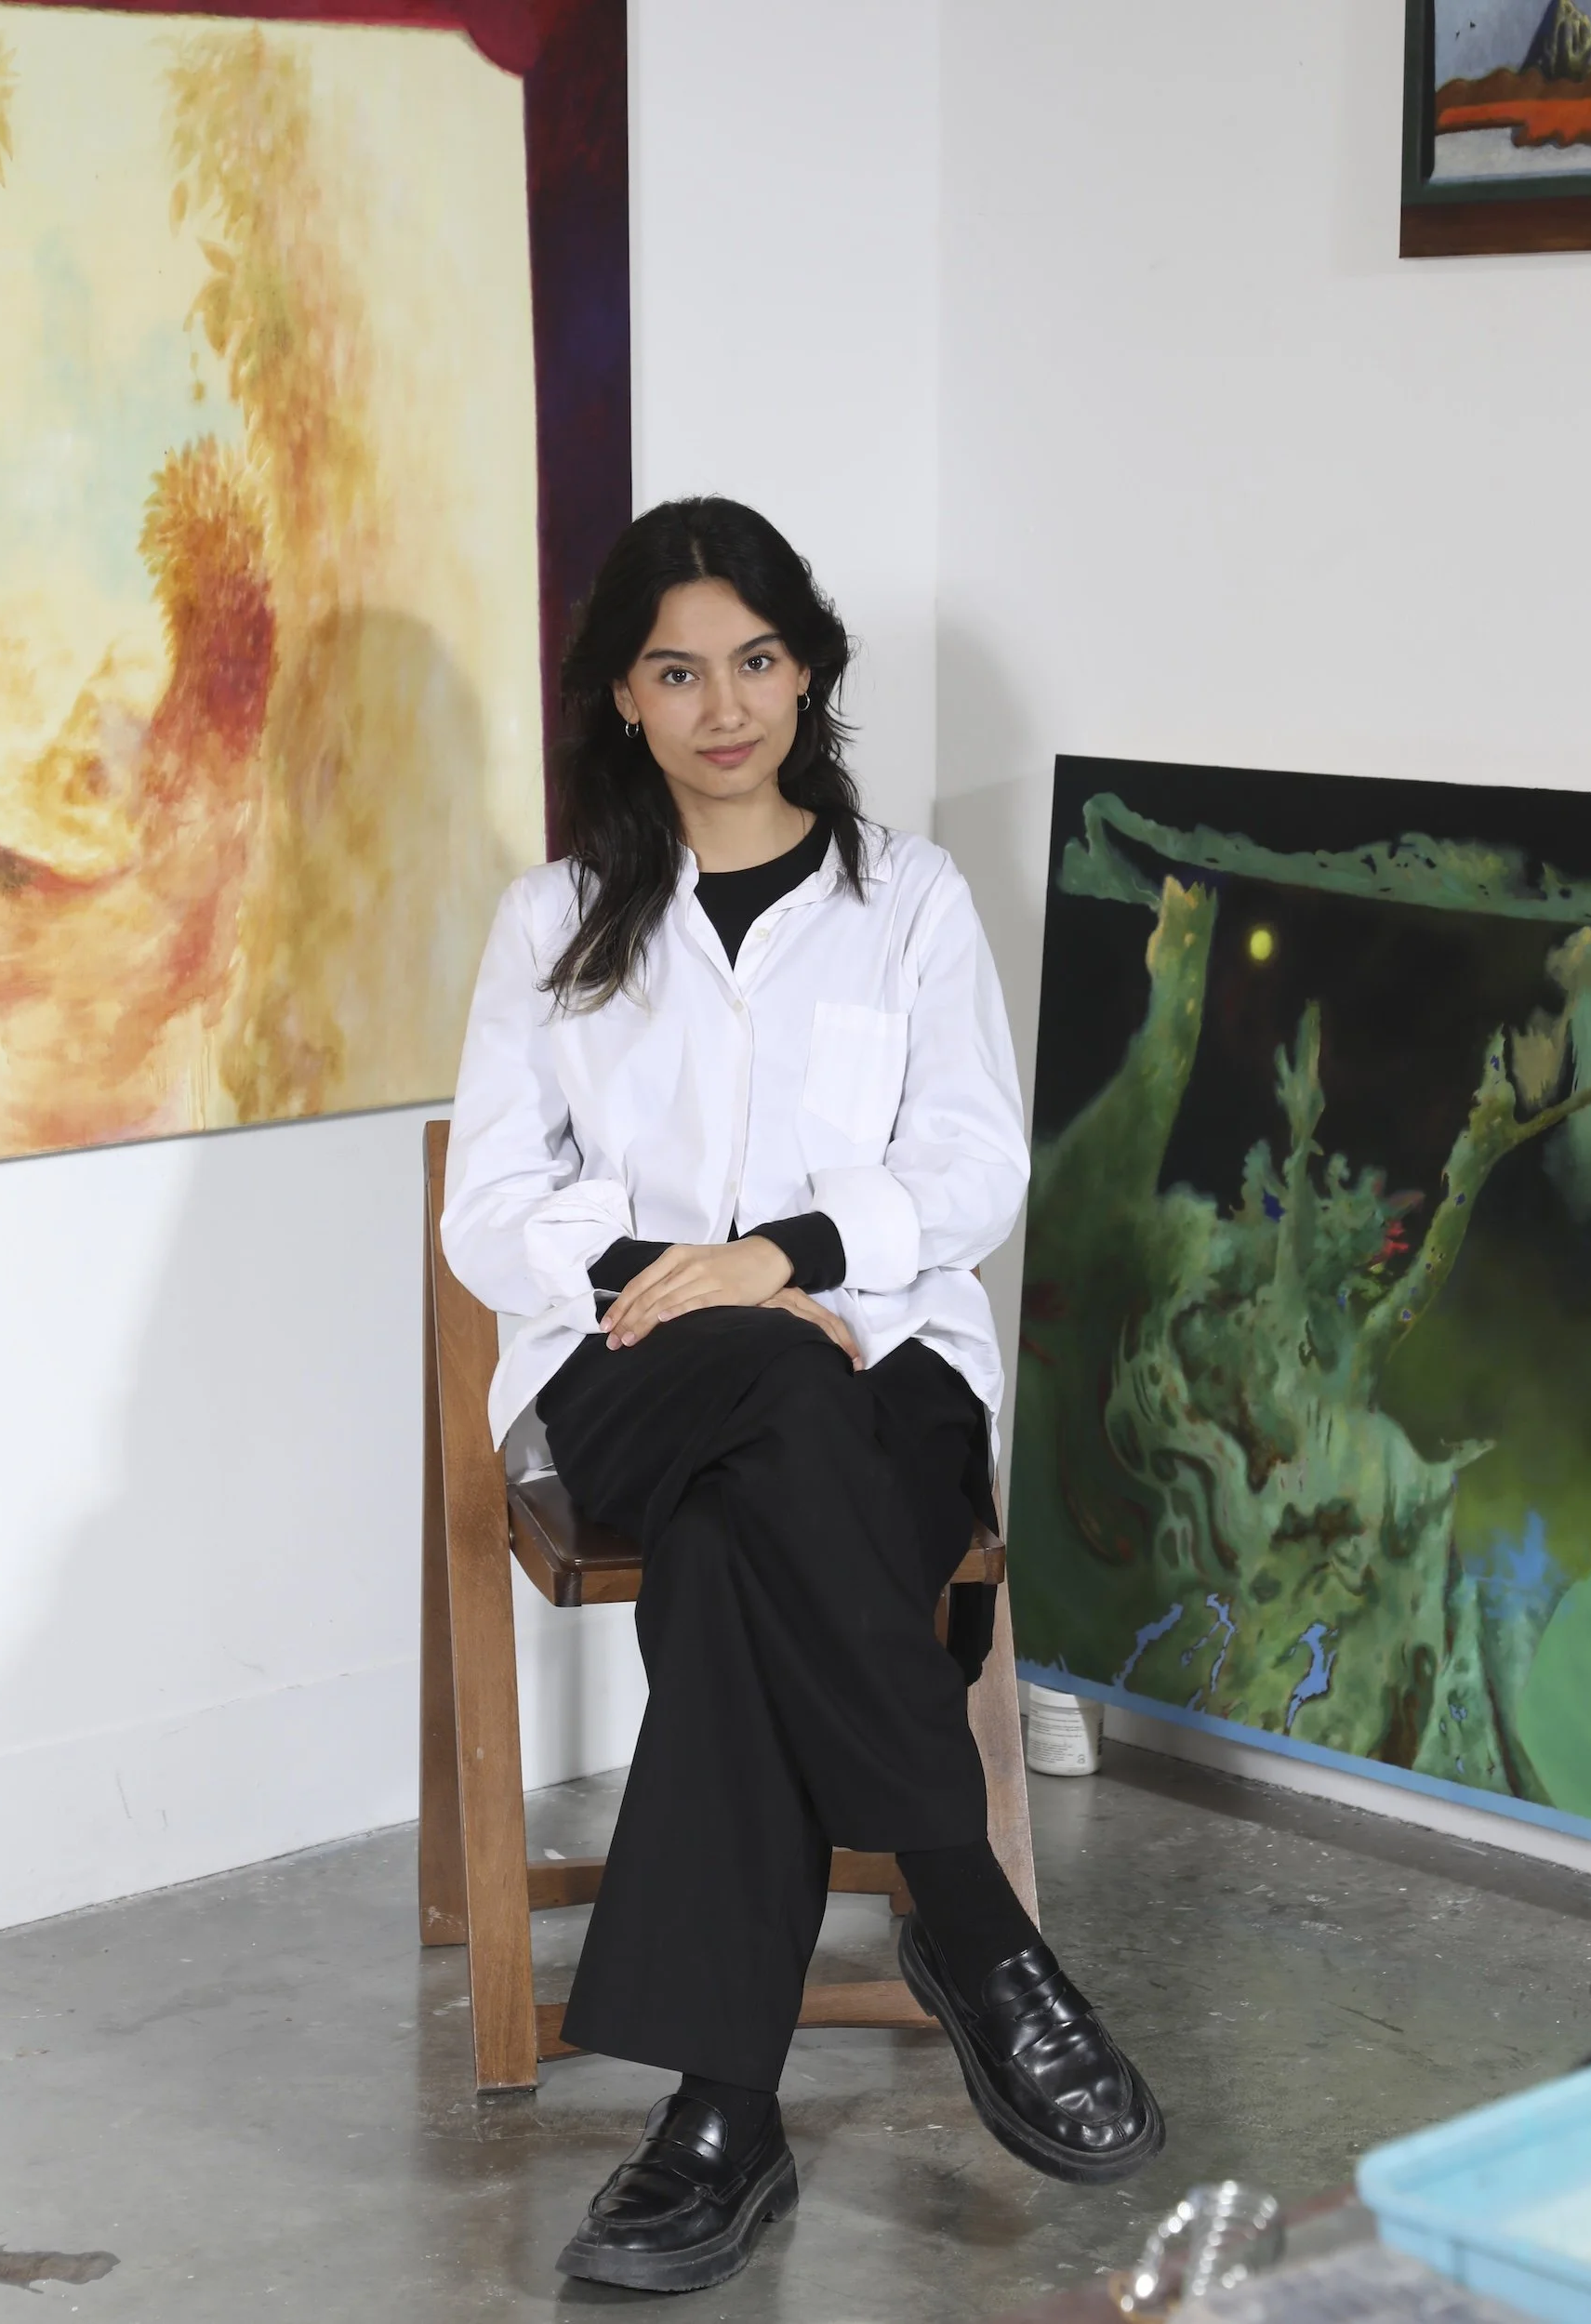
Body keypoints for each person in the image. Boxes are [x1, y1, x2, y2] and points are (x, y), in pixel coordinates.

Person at [442, 497, 1162, 2294]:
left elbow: (980, 1169)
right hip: (623, 1377)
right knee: (762, 1390)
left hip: (885, 1377)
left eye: (755, 659)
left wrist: (784, 1259)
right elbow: (491, 1210)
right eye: (676, 670)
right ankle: (973, 1918)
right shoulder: (552, 924)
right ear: (623, 697)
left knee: (734, 1560)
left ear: (808, 666)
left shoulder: (905, 902)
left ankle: (719, 2126)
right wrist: (677, 1287)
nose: (723, 704)